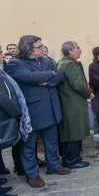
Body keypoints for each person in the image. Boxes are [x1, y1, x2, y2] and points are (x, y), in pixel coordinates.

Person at [7, 35, 71, 188]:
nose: (43, 48)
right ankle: (32, 174)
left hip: (51, 107)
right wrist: (50, 74)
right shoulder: (15, 63)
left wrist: (46, 83)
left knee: (51, 141)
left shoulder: (46, 60)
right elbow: (29, 77)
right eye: (39, 46)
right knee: (28, 146)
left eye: (43, 45)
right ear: (28, 48)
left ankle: (53, 166)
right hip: (32, 110)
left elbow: (60, 76)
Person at [57, 41, 93, 169]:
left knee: (69, 132)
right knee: (74, 132)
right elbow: (78, 84)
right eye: (78, 48)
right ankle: (72, 160)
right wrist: (88, 93)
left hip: (69, 102)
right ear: (70, 51)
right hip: (73, 103)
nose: (80, 50)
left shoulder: (64, 63)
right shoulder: (70, 65)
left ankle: (68, 158)